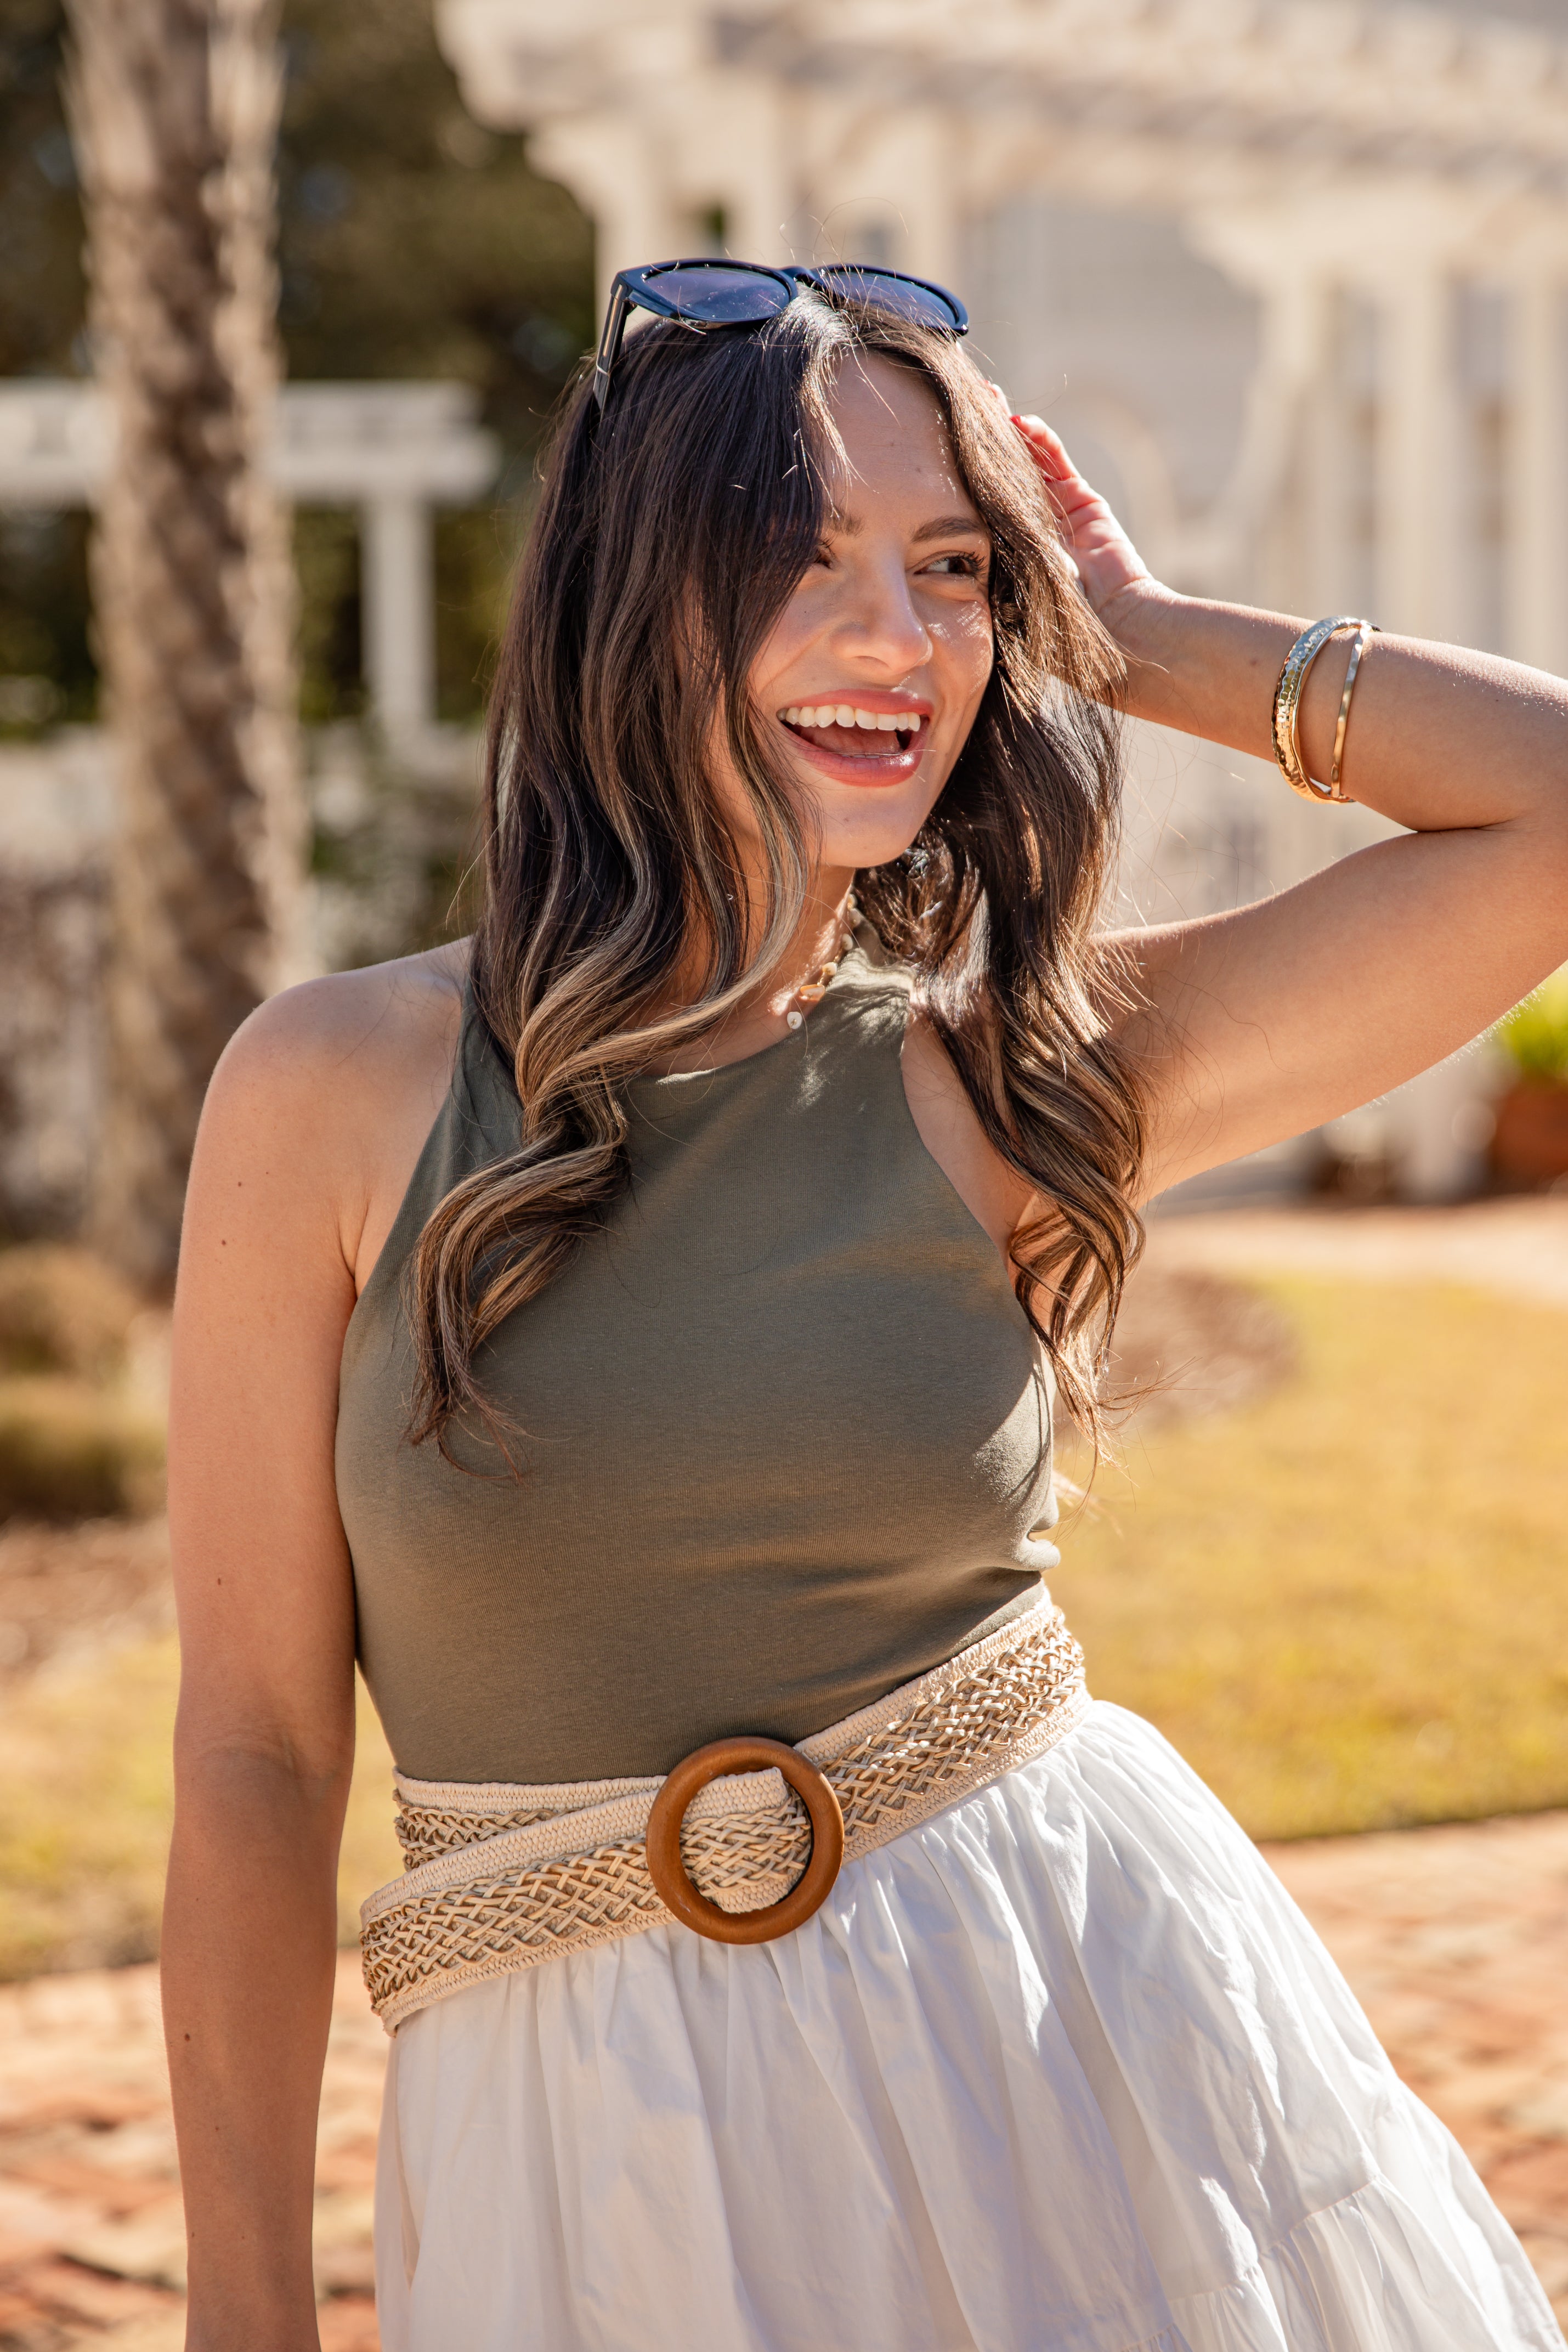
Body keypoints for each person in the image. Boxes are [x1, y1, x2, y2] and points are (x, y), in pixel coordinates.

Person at [162, 262, 1568, 2352]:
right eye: (800, 558)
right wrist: (246, 2307)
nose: (895, 639)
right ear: (629, 601)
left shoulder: (1018, 1074)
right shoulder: (337, 1088)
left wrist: (1138, 635)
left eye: (951, 567)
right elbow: (257, 1757)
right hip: (591, 2150)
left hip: (1065, 2044)